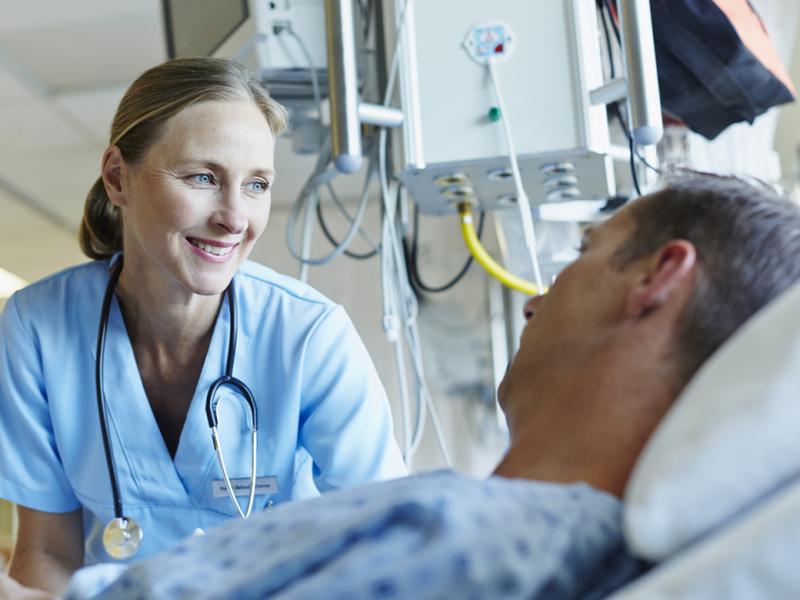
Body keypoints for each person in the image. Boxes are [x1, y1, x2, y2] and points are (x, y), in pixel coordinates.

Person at [53, 171, 800, 599]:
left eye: (584, 251)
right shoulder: (486, 520)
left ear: (657, 278)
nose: (537, 298)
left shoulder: (491, 544)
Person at [0, 58, 406, 594]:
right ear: (118, 178)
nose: (235, 217)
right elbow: (48, 552)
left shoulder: (308, 335)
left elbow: (391, 545)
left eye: (257, 184)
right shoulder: (37, 328)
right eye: (203, 177)